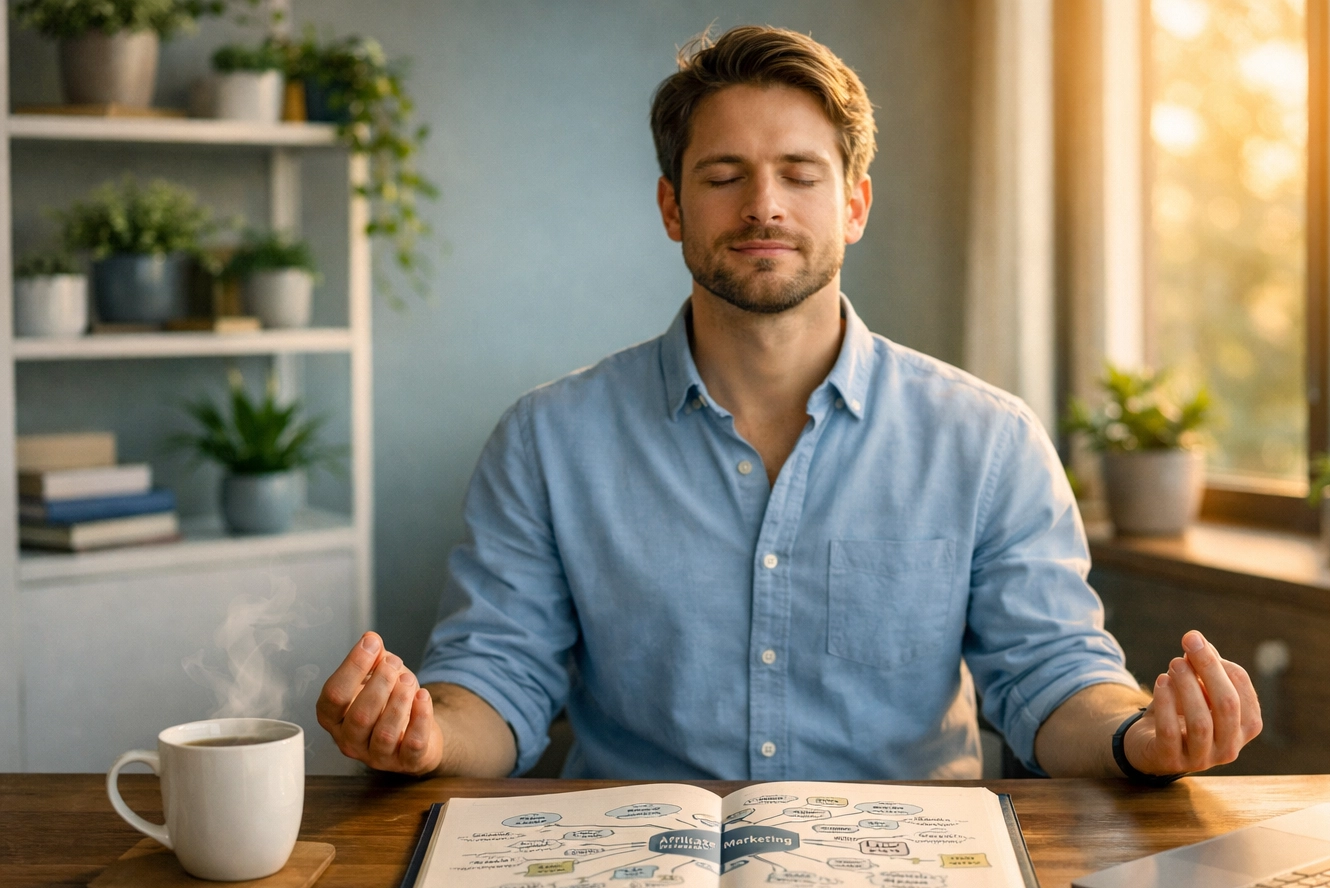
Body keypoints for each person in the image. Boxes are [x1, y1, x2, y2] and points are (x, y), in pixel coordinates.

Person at [315, 25, 1262, 783]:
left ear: (853, 205)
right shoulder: (546, 440)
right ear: (672, 208)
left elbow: (1051, 676)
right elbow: (498, 680)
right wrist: (426, 737)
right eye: (723, 176)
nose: (763, 205)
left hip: (912, 884)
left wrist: (1138, 737)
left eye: (800, 175)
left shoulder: (989, 440)